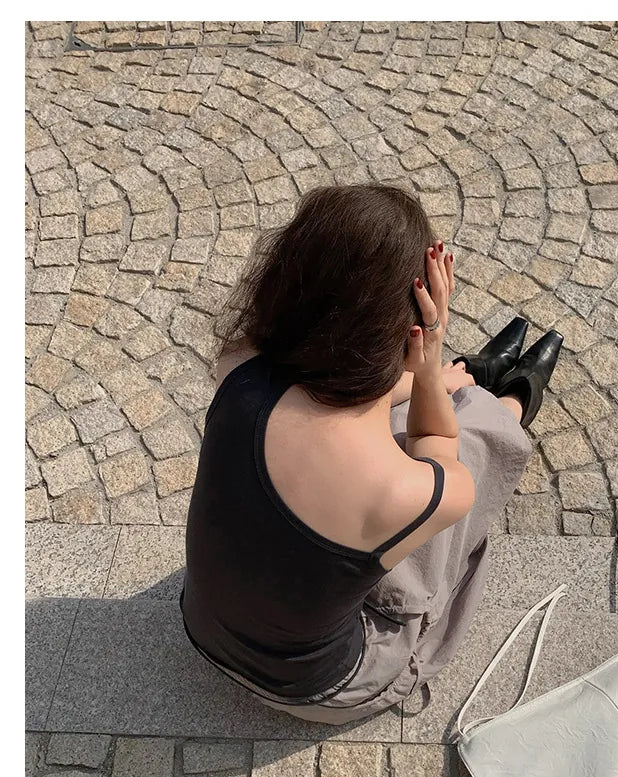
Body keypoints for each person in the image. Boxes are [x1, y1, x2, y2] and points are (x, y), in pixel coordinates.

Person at [180, 183, 563, 725]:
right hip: (320, 689)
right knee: (473, 441)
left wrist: (429, 376)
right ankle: (510, 404)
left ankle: (473, 381)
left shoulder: (237, 365)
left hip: (203, 631)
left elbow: (338, 389)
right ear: (403, 330)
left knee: (405, 417)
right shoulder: (400, 490)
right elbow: (442, 457)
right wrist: (429, 362)